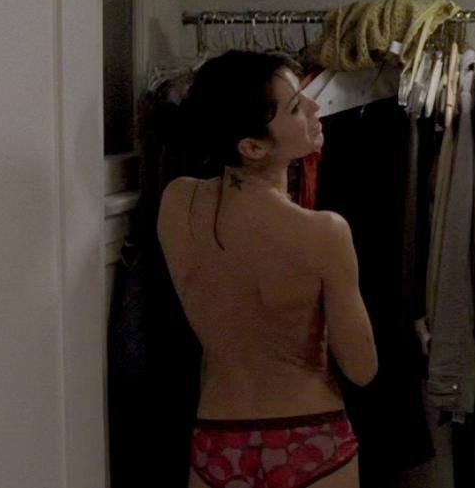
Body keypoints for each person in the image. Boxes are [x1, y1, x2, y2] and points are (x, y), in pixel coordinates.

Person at [157, 50, 378, 488]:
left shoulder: (178, 203)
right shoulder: (324, 233)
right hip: (308, 433)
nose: (314, 106)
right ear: (253, 147)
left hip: (218, 438)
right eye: (295, 107)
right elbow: (361, 368)